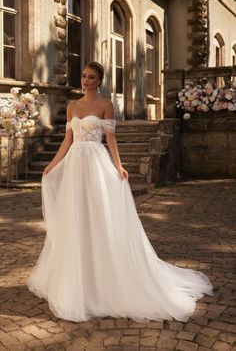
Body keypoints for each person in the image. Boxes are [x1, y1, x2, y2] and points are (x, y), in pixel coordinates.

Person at [27, 61, 213, 323]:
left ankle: (102, 277)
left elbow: (111, 140)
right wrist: (52, 164)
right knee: (76, 218)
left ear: (99, 80)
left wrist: (119, 166)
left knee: (100, 216)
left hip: (95, 164)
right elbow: (67, 140)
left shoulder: (105, 105)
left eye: (91, 77)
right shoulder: (72, 106)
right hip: (75, 167)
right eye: (83, 76)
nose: (85, 80)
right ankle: (77, 276)